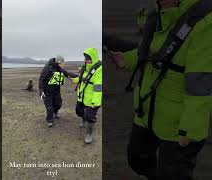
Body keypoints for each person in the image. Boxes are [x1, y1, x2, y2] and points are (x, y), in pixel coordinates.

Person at [110, 0, 212, 179]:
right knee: (137, 159)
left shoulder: (205, 25)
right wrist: (128, 59)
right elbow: (158, 52)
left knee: (174, 174)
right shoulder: (160, 14)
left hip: (179, 124)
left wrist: (189, 132)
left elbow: (200, 87)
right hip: (147, 110)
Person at [72, 47, 102, 144]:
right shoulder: (84, 68)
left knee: (90, 117)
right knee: (78, 111)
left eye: (88, 58)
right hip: (82, 96)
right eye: (85, 58)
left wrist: (95, 102)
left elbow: (98, 87)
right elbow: (82, 78)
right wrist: (75, 80)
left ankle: (89, 134)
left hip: (92, 100)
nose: (86, 60)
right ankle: (84, 119)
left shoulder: (99, 70)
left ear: (92, 58)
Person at [39, 55, 78, 128]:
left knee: (58, 103)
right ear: (58, 63)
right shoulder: (48, 69)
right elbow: (41, 80)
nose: (63, 65)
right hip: (47, 90)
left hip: (56, 89)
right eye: (62, 63)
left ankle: (55, 112)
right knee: (49, 106)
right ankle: (50, 121)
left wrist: (79, 76)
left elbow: (68, 74)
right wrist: (41, 90)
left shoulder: (60, 69)